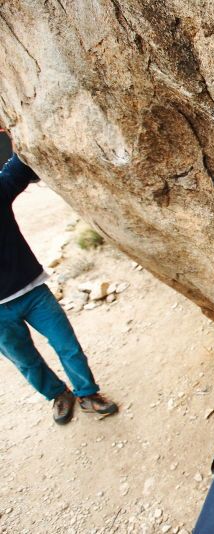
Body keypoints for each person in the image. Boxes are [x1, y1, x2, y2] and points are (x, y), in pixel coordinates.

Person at [0, 129, 118, 425]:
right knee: (26, 362)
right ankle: (58, 395)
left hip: (32, 291)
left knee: (67, 345)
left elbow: (22, 162)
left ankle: (87, 393)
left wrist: (14, 129)